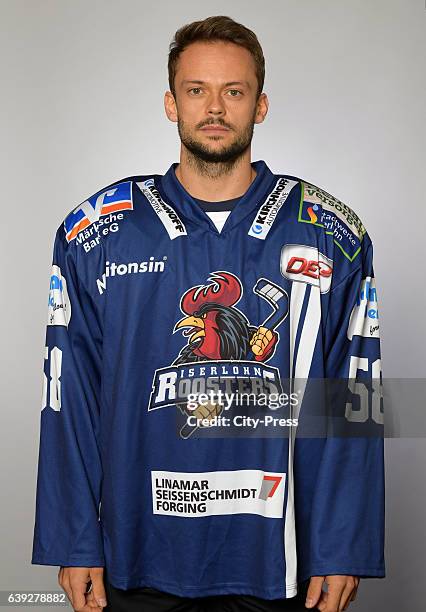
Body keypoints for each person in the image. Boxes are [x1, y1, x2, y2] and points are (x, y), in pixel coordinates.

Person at [31, 15, 385, 612]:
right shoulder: (96, 233)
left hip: (279, 563)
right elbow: (68, 399)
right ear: (171, 103)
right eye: (197, 90)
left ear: (261, 105)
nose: (214, 108)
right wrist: (74, 539)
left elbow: (355, 401)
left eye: (234, 91)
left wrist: (341, 545)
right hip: (135, 556)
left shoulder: (332, 236)